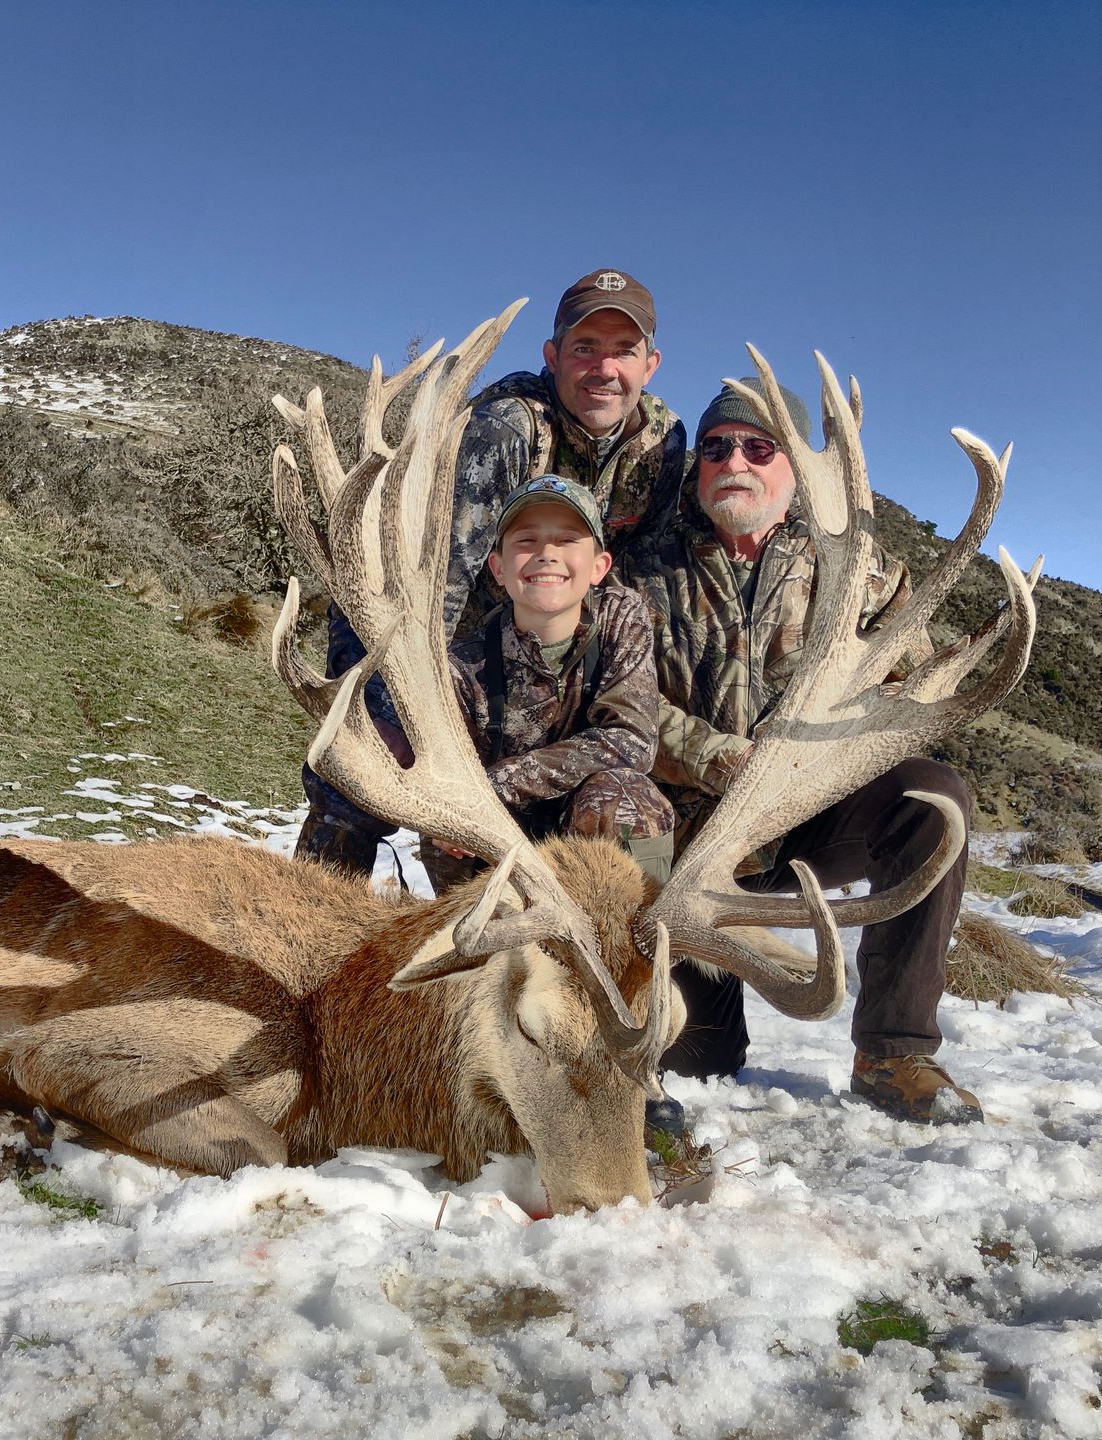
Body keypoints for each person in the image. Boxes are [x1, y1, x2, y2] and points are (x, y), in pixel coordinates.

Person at [628, 379, 983, 1125]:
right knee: (699, 1060)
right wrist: (718, 755)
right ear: (698, 470)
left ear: (792, 468)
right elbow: (619, 700)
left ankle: (894, 1053)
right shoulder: (637, 570)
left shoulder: (865, 574)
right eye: (717, 448)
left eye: (760, 448)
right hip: (682, 844)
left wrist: (805, 767)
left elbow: (909, 701)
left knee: (933, 801)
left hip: (804, 822)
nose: (736, 462)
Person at [297, 268, 687, 873]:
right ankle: (312, 931)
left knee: (624, 802)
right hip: (444, 641)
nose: (605, 369)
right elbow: (435, 586)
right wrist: (393, 709)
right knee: (359, 781)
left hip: (564, 653)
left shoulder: (662, 445)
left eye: (623, 351)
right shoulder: (505, 429)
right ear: (553, 356)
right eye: (585, 348)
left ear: (651, 364)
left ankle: (640, 955)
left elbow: (636, 577)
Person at [423, 475, 675, 896]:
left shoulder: (621, 620)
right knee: (449, 831)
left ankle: (637, 948)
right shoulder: (462, 666)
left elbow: (632, 742)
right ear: (498, 568)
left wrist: (499, 784)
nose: (546, 554)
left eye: (567, 540)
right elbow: (450, 789)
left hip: (587, 834)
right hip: (500, 848)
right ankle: (482, 947)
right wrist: (450, 817)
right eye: (526, 541)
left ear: (600, 567)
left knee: (627, 795)